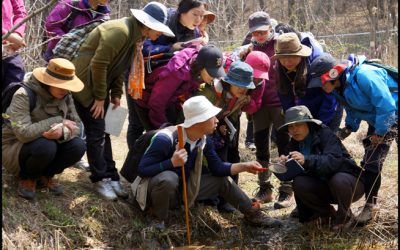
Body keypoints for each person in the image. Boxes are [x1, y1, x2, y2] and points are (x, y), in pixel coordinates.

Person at [71, 2, 175, 201]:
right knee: (96, 132)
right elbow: (99, 64)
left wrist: (116, 94)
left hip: (99, 86)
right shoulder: (120, 31)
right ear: (146, 24)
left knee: (105, 131)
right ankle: (99, 178)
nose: (159, 35)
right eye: (157, 29)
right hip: (85, 85)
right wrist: (101, 97)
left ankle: (111, 175)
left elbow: (119, 68)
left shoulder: (135, 38)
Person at [133, 95, 282, 229]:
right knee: (168, 178)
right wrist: (171, 163)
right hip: (157, 193)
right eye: (212, 117)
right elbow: (142, 169)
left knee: (221, 181)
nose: (217, 120)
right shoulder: (165, 139)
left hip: (183, 191)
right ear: (199, 121)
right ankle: (157, 218)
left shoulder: (203, 139)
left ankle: (252, 213)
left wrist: (244, 166)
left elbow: (217, 168)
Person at [320, 55, 398, 224]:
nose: (320, 87)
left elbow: (387, 105)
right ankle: (370, 206)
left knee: (373, 158)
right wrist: (348, 127)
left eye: (321, 82)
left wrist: (380, 132)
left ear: (332, 76)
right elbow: (354, 108)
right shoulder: (339, 88)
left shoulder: (365, 76)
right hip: (379, 120)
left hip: (390, 114)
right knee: (371, 163)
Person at [125, 0, 207, 150]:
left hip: (167, 82)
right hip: (139, 74)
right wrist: (170, 47)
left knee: (165, 119)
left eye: (202, 16)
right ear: (182, 10)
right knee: (136, 122)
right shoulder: (165, 20)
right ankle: (134, 163)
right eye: (195, 14)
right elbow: (143, 45)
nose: (198, 20)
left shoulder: (194, 31)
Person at [2, 58, 86, 200]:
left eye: (67, 86)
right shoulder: (23, 94)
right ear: (48, 81)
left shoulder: (66, 96)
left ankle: (45, 175)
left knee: (78, 146)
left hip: (48, 143)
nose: (65, 90)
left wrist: (62, 133)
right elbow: (23, 133)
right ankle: (28, 177)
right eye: (61, 86)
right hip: (16, 146)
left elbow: (76, 126)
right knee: (45, 146)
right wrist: (58, 120)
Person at [233, 11, 291, 209]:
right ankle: (265, 187)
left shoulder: (280, 44)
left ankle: (286, 188)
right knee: (260, 144)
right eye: (254, 33)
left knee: (284, 143)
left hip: (279, 101)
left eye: (262, 31)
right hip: (258, 104)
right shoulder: (247, 49)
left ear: (270, 28)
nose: (259, 36)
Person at [277, 105, 365, 231]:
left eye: (299, 124)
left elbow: (334, 162)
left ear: (308, 124)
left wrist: (306, 160)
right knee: (299, 183)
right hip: (323, 188)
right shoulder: (294, 143)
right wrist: (285, 165)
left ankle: (344, 217)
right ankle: (326, 214)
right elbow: (296, 176)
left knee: (338, 179)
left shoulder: (325, 134)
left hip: (350, 185)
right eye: (290, 126)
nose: (294, 129)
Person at [134, 45, 226, 130]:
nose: (214, 77)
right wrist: (165, 128)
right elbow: (156, 103)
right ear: (200, 67)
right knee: (156, 138)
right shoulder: (176, 73)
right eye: (211, 73)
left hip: (169, 101)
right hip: (147, 99)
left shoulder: (196, 64)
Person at [43, 0, 111, 62]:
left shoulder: (104, 16)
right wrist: (67, 42)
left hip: (81, 61)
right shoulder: (70, 4)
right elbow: (51, 25)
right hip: (56, 56)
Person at [2, 0, 27, 92]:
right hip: (9, 39)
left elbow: (20, 13)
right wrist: (9, 36)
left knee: (14, 87)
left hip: (10, 48)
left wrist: (18, 33)